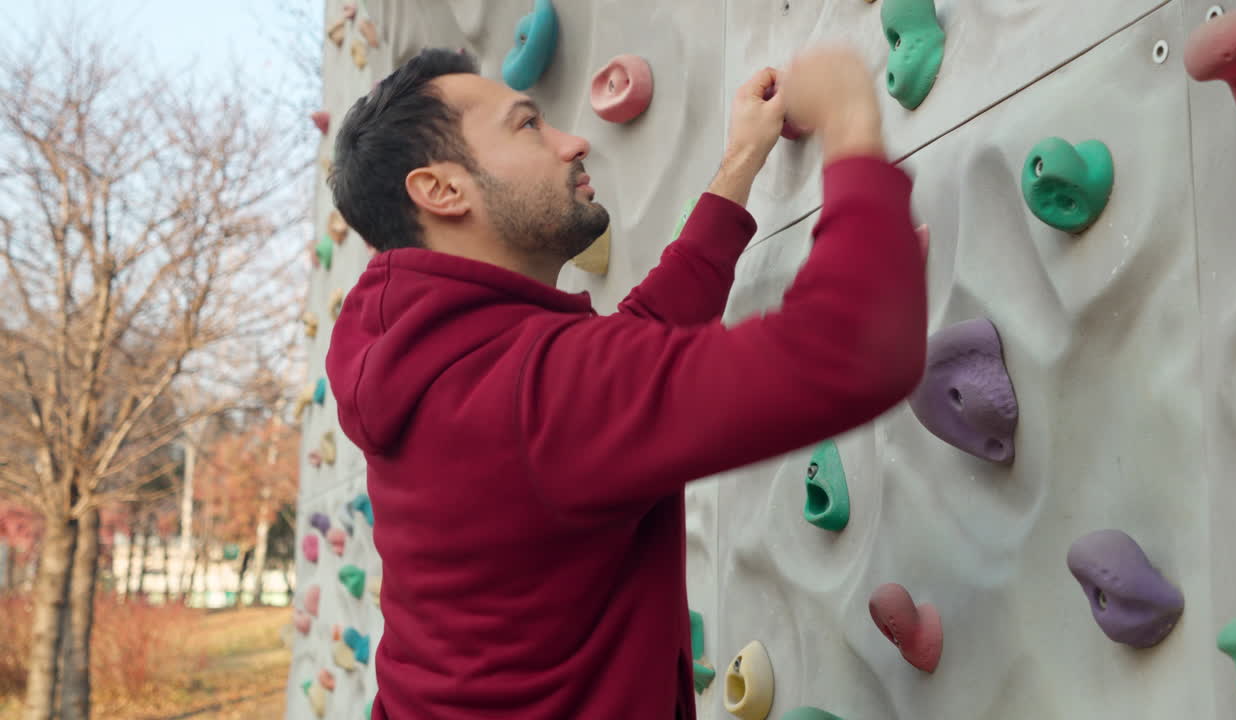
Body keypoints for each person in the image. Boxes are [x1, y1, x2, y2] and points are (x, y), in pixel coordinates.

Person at [325, 42, 926, 720]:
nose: (573, 139)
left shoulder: (439, 361)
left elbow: (631, 346)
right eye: (528, 125)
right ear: (441, 189)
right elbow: (848, 351)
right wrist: (849, 118)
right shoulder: (530, 396)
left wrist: (740, 164)